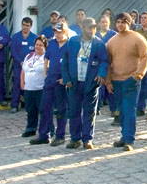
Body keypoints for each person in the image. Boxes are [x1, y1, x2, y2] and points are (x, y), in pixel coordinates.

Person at [105, 13, 147, 151]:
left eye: (123, 22)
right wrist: (108, 82)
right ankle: (124, 136)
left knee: (130, 110)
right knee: (122, 111)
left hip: (131, 80)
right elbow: (107, 62)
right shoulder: (111, 41)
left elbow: (145, 57)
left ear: (129, 23)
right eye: (118, 22)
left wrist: (138, 75)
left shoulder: (138, 38)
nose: (120, 25)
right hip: (116, 81)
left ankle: (129, 140)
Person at [63, 17, 109, 149]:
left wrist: (101, 74)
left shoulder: (98, 43)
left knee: (89, 112)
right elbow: (65, 61)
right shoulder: (73, 42)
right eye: (90, 28)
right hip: (74, 82)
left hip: (90, 83)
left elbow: (104, 61)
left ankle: (87, 139)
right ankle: (75, 139)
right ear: (83, 28)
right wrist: (66, 79)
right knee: (74, 112)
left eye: (94, 28)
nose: (92, 31)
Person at [30, 23, 71, 146]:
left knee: (61, 110)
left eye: (60, 32)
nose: (57, 35)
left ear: (65, 32)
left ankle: (60, 135)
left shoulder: (70, 45)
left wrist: (66, 78)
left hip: (61, 81)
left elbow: (73, 63)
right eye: (55, 32)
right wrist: (45, 73)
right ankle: (44, 135)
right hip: (50, 79)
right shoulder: (52, 43)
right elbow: (46, 58)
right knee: (44, 108)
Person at [21, 36, 48, 137]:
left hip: (40, 88)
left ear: (45, 47)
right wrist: (22, 83)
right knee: (30, 110)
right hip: (29, 88)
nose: (38, 47)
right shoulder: (29, 56)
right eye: (36, 45)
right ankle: (31, 128)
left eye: (40, 45)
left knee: (43, 110)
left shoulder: (46, 57)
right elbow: (23, 70)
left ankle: (45, 130)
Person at [10, 17, 37, 113]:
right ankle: (14, 105)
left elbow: (36, 51)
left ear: (31, 26)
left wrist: (30, 62)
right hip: (18, 66)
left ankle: (30, 105)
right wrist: (20, 61)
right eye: (24, 25)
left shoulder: (34, 37)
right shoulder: (16, 37)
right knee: (17, 85)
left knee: (30, 85)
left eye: (27, 25)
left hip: (30, 66)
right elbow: (13, 51)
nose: (25, 27)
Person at [96, 15, 117, 115]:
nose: (104, 24)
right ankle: (96, 108)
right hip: (98, 64)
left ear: (109, 23)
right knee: (98, 86)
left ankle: (114, 109)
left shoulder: (114, 34)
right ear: (99, 23)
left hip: (111, 63)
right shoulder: (95, 34)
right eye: (102, 21)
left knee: (111, 86)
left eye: (106, 22)